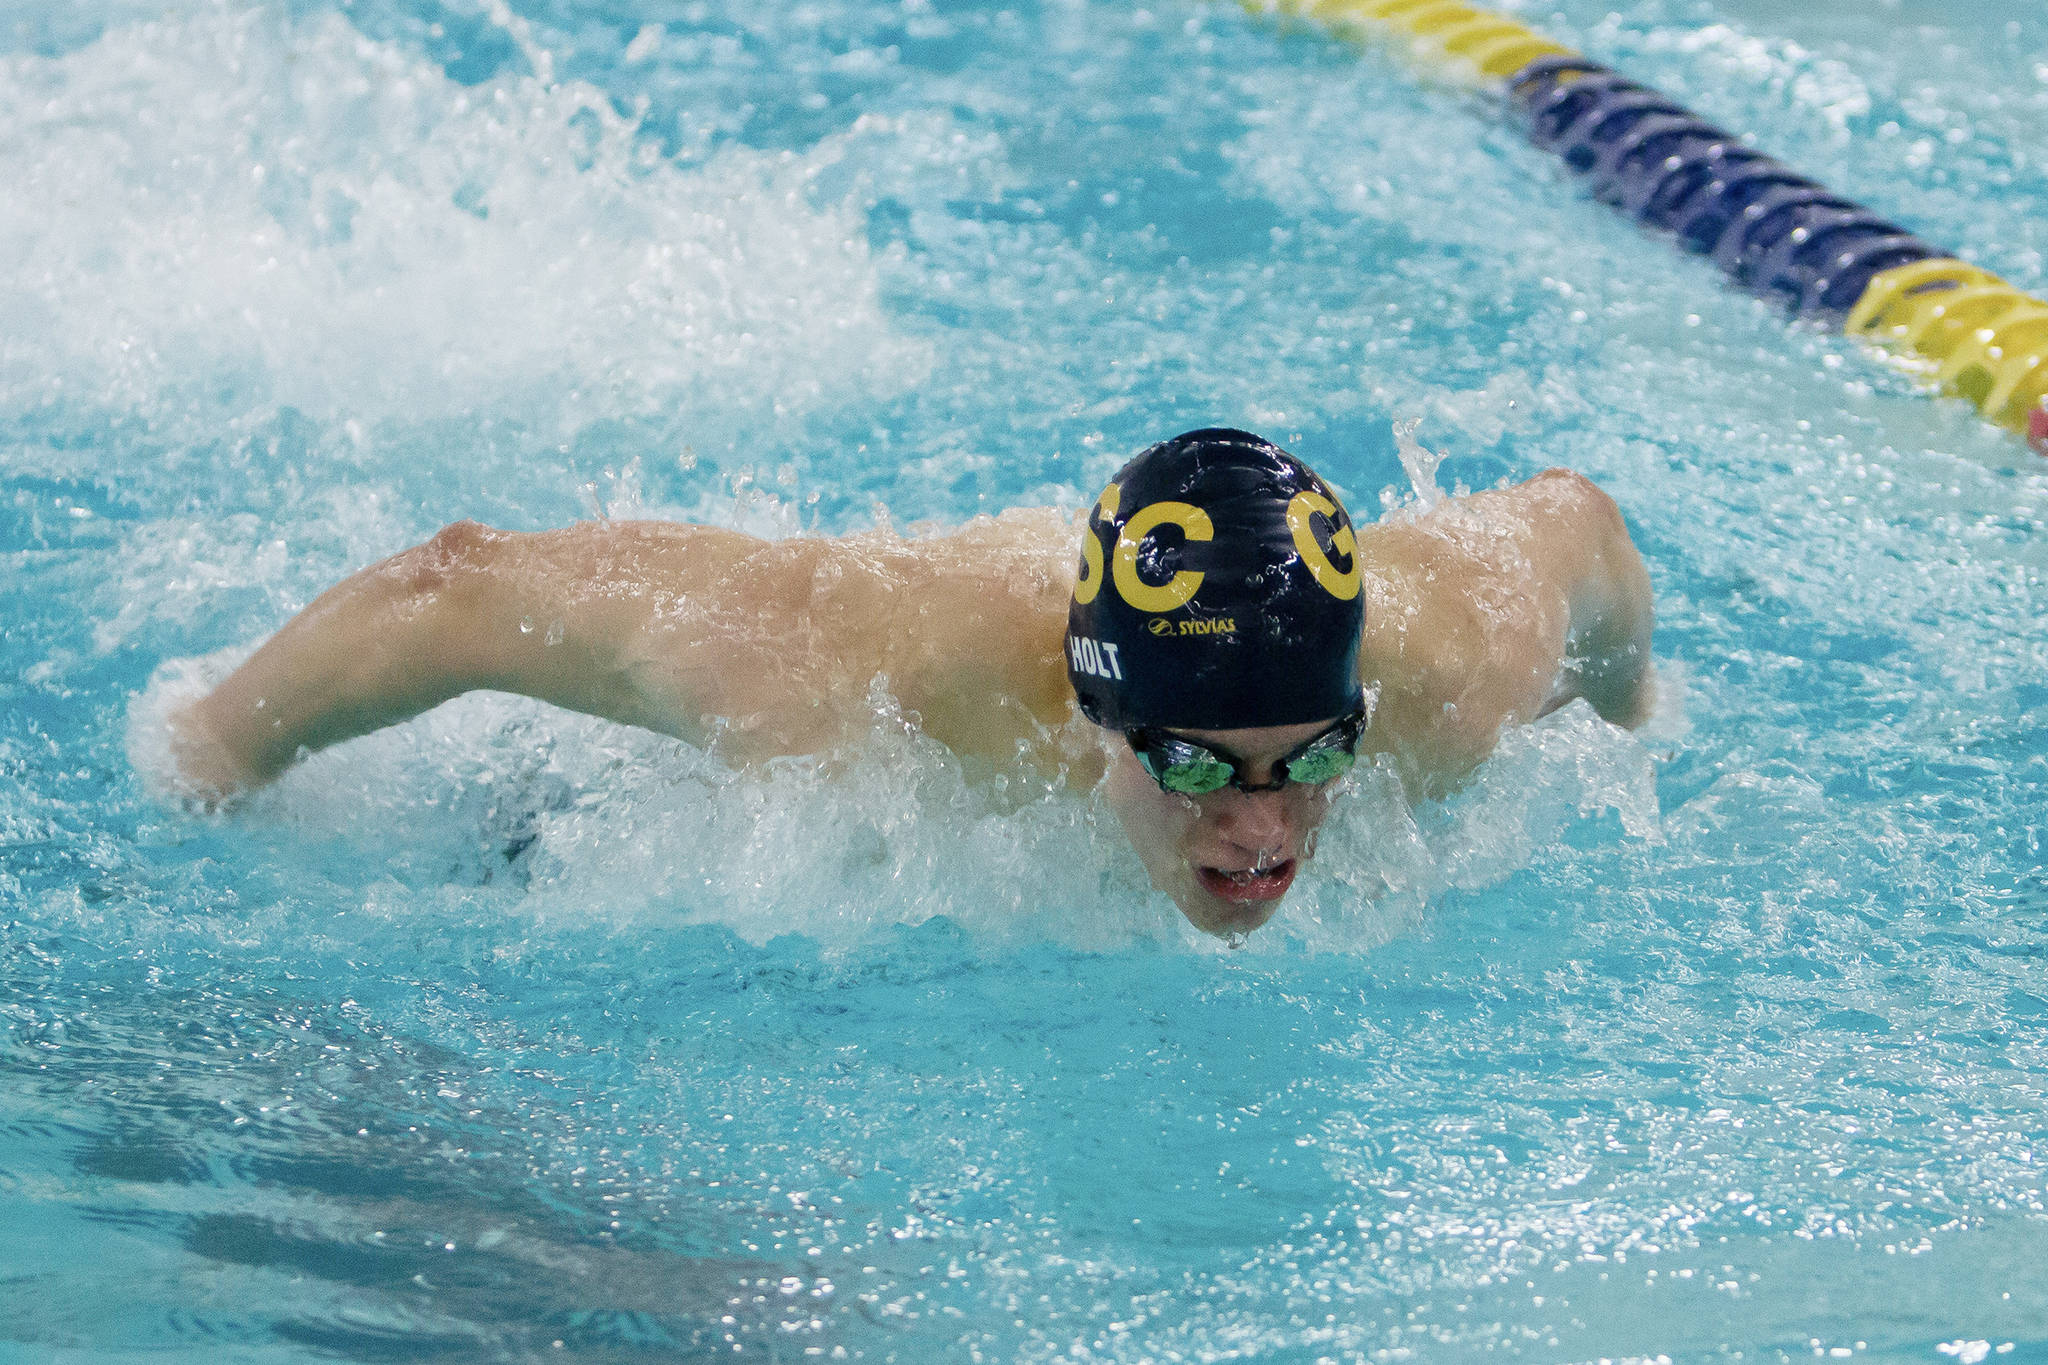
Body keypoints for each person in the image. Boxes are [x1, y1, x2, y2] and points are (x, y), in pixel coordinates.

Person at [164, 428, 1653, 939]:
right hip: (630, 789)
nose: (1263, 828)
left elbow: (1579, 525)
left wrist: (1642, 717)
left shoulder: (1446, 674)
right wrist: (203, 761)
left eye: (1305, 757)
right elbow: (459, 589)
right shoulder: (863, 677)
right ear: (1099, 718)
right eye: (1198, 765)